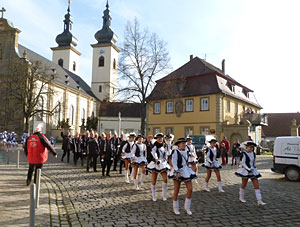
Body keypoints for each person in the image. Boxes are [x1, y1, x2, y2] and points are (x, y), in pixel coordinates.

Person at [169, 138, 197, 215]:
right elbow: (174, 162)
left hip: (186, 170)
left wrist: (192, 157)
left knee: (190, 189)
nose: (184, 145)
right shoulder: (175, 151)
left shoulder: (187, 151)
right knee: (176, 190)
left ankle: (187, 207)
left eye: (184, 143)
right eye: (182, 143)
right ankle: (176, 208)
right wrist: (177, 171)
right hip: (178, 170)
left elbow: (189, 161)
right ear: (178, 144)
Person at [235, 141, 266, 206]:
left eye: (252, 147)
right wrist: (248, 169)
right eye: (250, 147)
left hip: (252, 170)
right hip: (245, 171)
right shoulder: (244, 154)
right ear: (246, 147)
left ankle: (259, 200)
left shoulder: (253, 154)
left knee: (256, 185)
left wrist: (254, 168)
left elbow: (254, 162)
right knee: (244, 184)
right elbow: (243, 163)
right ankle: (241, 197)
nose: (251, 148)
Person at [146, 133, 170, 201]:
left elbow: (167, 153)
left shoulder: (165, 145)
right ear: (156, 139)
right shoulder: (154, 146)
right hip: (156, 163)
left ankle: (164, 195)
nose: (160, 139)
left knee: (165, 179)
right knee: (154, 180)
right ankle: (154, 196)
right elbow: (154, 153)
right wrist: (156, 159)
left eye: (161, 138)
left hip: (163, 163)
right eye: (159, 138)